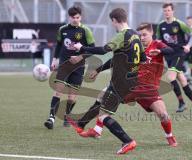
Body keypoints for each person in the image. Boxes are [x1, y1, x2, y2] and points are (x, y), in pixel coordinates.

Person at [74, 23, 178, 147]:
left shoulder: (157, 45)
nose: (142, 38)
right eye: (140, 35)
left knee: (163, 115)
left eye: (145, 35)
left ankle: (170, 136)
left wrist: (160, 51)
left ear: (152, 34)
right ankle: (97, 130)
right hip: (130, 85)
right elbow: (115, 59)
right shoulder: (135, 45)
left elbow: (171, 50)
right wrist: (98, 69)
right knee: (104, 98)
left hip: (148, 89)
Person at [68, 8, 146, 154]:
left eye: (112, 22)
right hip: (131, 80)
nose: (112, 24)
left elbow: (104, 50)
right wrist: (98, 70)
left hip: (120, 83)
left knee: (104, 116)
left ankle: (127, 141)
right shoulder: (135, 34)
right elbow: (141, 58)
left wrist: (81, 47)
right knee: (101, 96)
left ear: (114, 20)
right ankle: (82, 124)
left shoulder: (122, 35)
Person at [44, 6, 95, 129]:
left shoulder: (85, 31)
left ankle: (67, 115)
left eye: (77, 17)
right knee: (58, 91)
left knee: (72, 98)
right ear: (69, 17)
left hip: (78, 67)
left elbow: (92, 49)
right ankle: (51, 118)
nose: (75, 19)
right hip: (64, 65)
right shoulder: (62, 29)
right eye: (73, 17)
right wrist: (55, 60)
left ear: (80, 17)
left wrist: (80, 57)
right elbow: (59, 45)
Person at [156, 3, 192, 113]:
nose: (166, 12)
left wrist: (188, 46)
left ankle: (181, 103)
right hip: (168, 56)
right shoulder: (160, 25)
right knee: (182, 80)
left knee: (171, 77)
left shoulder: (179, 24)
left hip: (179, 54)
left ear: (173, 11)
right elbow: (159, 41)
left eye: (168, 10)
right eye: (165, 11)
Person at [183, 16, 192, 86]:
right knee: (181, 62)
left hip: (191, 50)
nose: (188, 23)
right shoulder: (186, 29)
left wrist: (188, 46)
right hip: (186, 50)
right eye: (188, 21)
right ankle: (187, 77)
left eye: (190, 21)